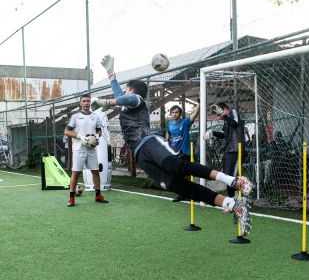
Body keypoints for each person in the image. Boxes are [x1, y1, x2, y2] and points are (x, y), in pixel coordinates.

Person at [95, 55, 253, 234]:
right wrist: (110, 74)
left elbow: (126, 99)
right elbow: (119, 95)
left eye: (126, 90)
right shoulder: (125, 103)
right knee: (175, 186)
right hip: (140, 155)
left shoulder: (137, 100)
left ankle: (234, 180)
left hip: (149, 142)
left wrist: (107, 102)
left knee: (176, 165)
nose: (122, 93)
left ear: (131, 90)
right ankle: (231, 204)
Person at [64, 94, 109, 207]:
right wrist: (80, 136)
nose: (86, 103)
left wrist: (97, 138)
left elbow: (99, 130)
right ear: (80, 103)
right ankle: (71, 198)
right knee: (75, 173)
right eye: (84, 101)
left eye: (88, 101)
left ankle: (98, 195)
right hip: (79, 149)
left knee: (95, 171)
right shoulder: (75, 116)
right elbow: (67, 131)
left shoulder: (95, 116)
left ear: (90, 103)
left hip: (91, 149)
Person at [206, 102, 246, 197]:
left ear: (225, 109)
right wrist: (213, 133)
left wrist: (224, 115)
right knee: (227, 176)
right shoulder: (226, 120)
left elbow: (235, 124)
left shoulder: (233, 112)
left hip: (237, 150)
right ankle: (232, 198)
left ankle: (243, 193)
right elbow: (225, 136)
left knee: (233, 175)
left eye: (218, 112)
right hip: (229, 151)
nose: (217, 115)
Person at [167, 104, 199, 202]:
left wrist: (198, 105)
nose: (174, 114)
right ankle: (181, 194)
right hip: (174, 152)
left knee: (186, 174)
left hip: (184, 152)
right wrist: (166, 141)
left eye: (176, 112)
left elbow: (194, 114)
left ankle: (189, 194)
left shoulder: (185, 123)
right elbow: (168, 134)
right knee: (176, 175)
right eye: (172, 112)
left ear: (180, 114)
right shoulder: (169, 124)